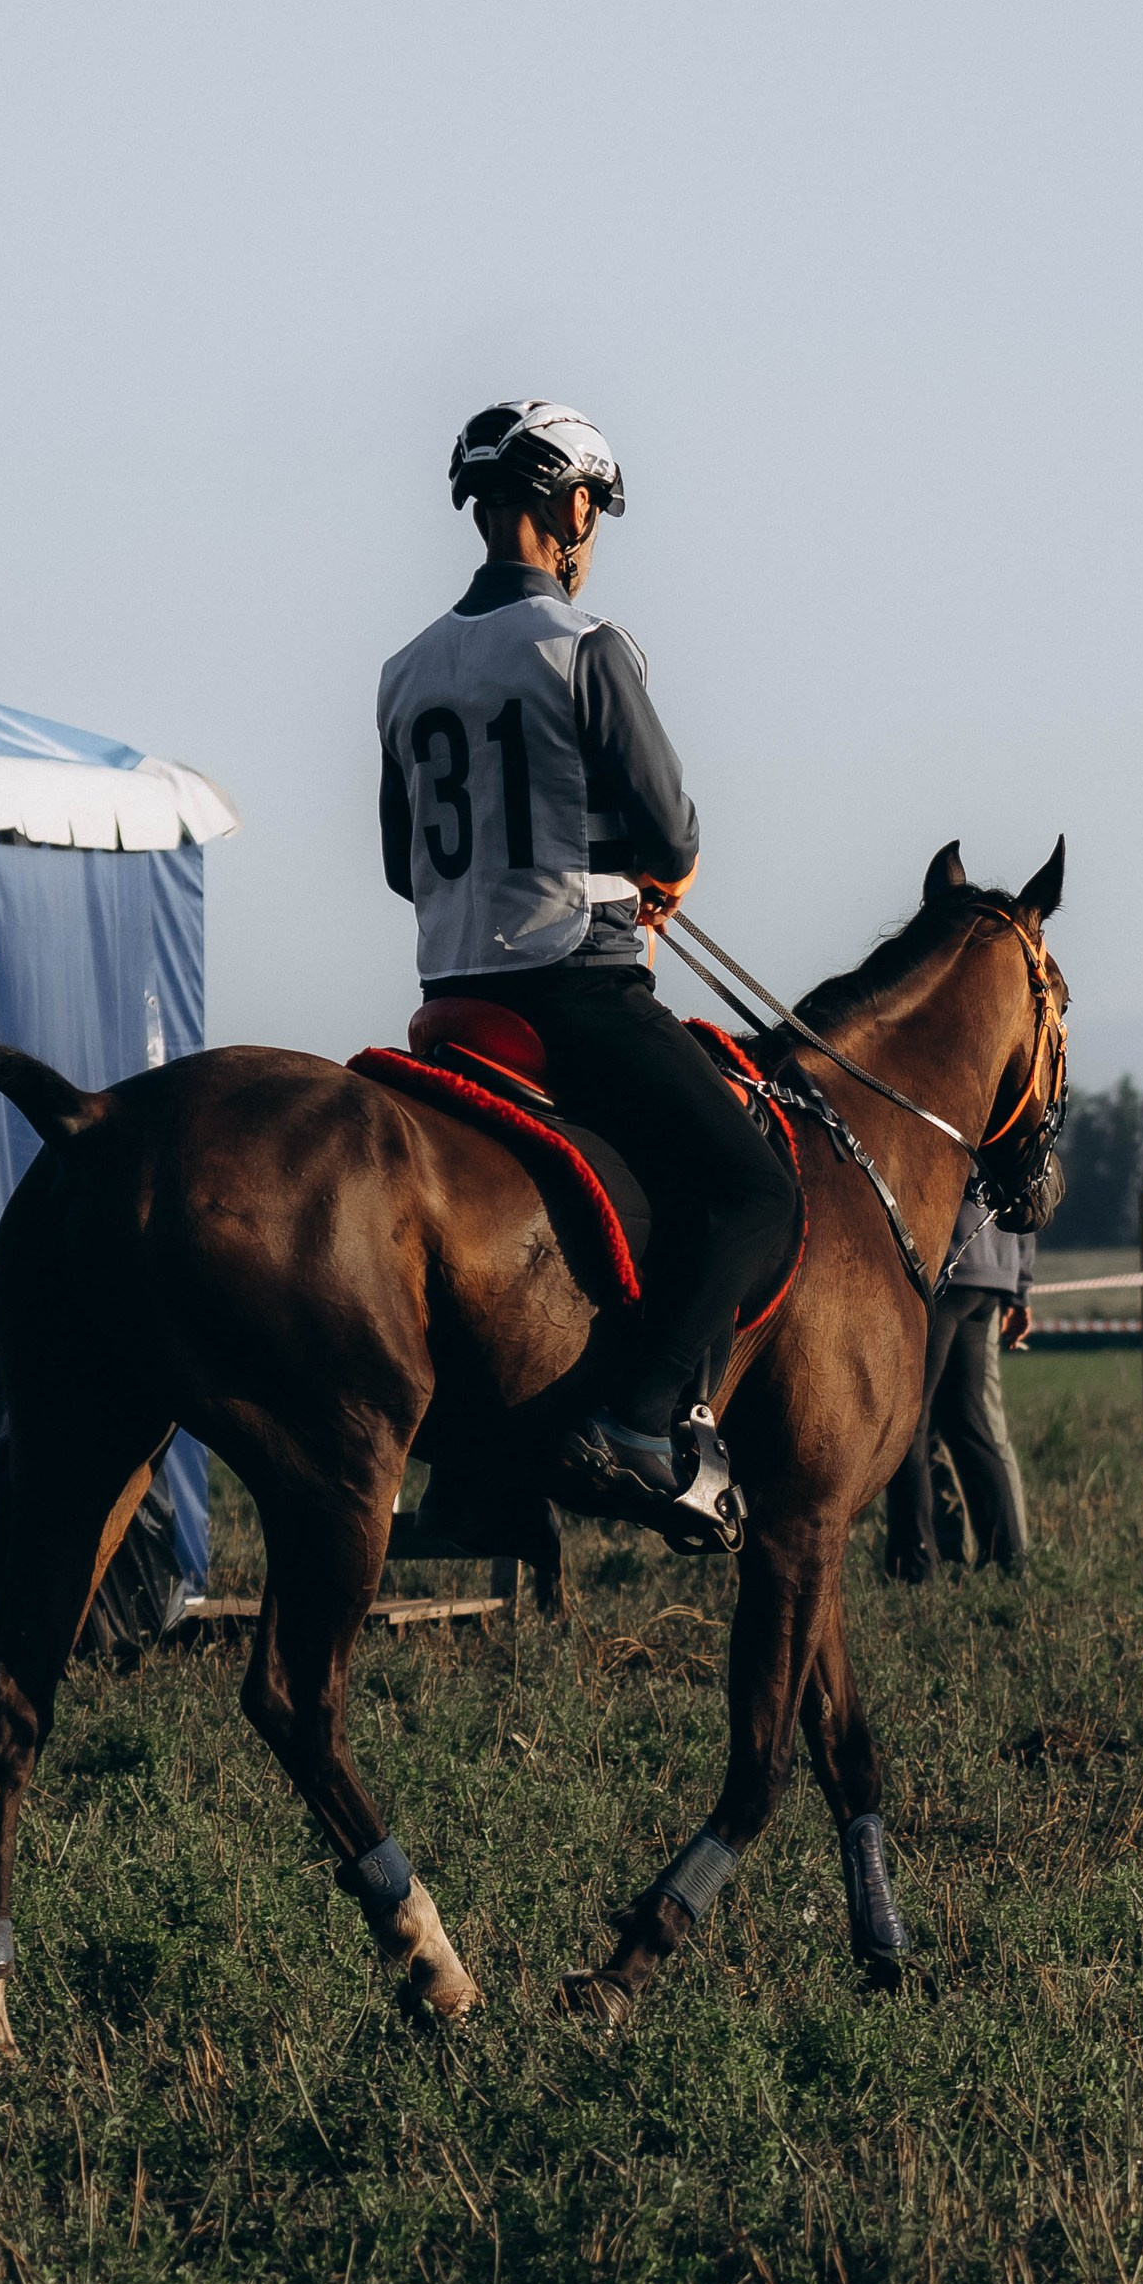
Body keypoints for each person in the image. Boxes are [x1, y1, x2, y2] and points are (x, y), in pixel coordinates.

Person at [377, 400, 797, 1542]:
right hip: (578, 989)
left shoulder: (403, 671)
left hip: (448, 1005)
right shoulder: (586, 647)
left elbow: (397, 866)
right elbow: (668, 837)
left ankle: (478, 1467)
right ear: (569, 506)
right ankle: (642, 1419)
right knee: (756, 1191)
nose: (591, 530)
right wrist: (662, 878)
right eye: (593, 511)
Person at [885, 1194, 1034, 1582]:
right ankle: (1009, 1558)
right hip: (994, 1273)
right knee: (967, 1420)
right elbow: (1030, 1179)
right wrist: (1020, 1287)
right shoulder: (1007, 1129)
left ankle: (914, 1564)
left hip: (948, 1265)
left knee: (911, 1420)